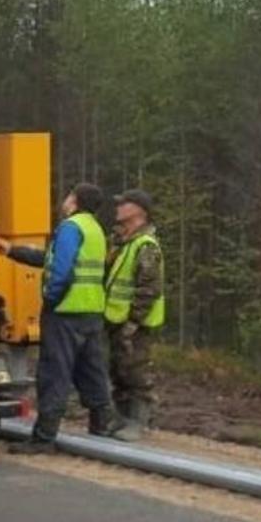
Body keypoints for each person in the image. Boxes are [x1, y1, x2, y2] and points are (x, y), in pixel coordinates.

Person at [0, 182, 119, 453]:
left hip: (65, 313)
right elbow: (49, 259)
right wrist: (12, 250)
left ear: (75, 201)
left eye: (69, 195)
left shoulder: (70, 228)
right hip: (91, 311)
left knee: (54, 372)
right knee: (91, 369)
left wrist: (50, 299)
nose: (65, 199)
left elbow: (60, 269)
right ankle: (102, 424)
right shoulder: (95, 229)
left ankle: (44, 437)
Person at [105, 188, 166, 442]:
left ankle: (138, 423)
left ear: (139, 211)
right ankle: (122, 419)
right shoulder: (123, 242)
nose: (118, 207)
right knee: (119, 371)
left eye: (124, 204)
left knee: (136, 372)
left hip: (134, 324)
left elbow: (149, 288)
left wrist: (133, 321)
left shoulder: (146, 245)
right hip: (116, 320)